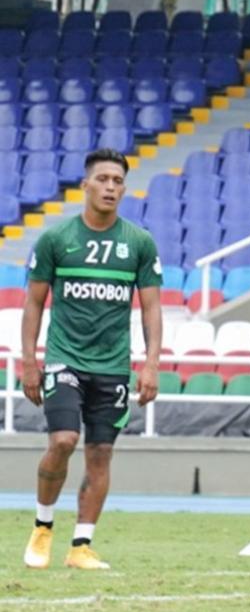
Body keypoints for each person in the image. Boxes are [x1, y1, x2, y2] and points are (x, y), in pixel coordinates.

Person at [22, 148, 164, 571]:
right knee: (63, 441)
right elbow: (33, 304)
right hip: (64, 358)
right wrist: (29, 361)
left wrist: (151, 363)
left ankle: (80, 546)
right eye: (102, 179)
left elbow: (152, 308)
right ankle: (42, 527)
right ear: (85, 185)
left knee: (100, 452)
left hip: (113, 366)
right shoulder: (56, 240)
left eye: (117, 181)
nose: (110, 187)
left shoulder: (138, 243)